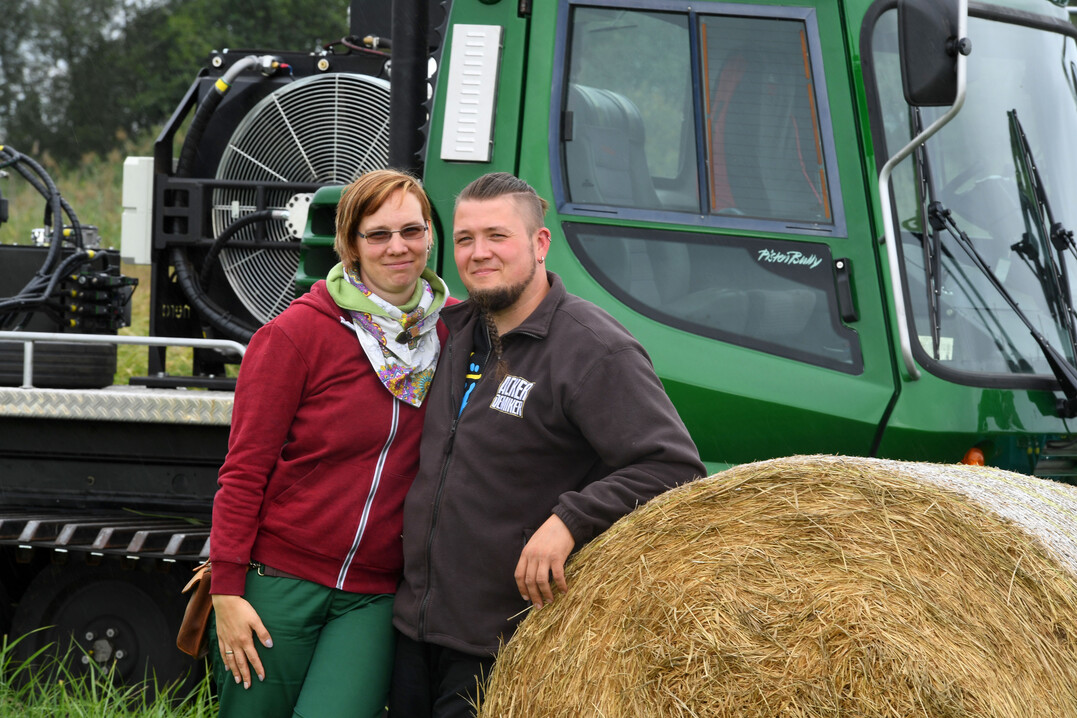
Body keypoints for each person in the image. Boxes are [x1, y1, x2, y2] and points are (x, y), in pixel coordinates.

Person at [390, 172, 705, 717]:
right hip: (416, 630)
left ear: (540, 244)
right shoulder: (450, 331)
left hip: (505, 645)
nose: (478, 253)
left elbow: (672, 466)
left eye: (497, 236)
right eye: (464, 239)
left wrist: (568, 521)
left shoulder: (594, 349)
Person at [208, 168, 453, 718]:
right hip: (278, 580)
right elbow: (244, 470)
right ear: (349, 245)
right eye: (378, 234)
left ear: (430, 236)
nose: (398, 247)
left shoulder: (453, 336)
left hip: (373, 594)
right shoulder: (298, 335)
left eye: (412, 231)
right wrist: (227, 589)